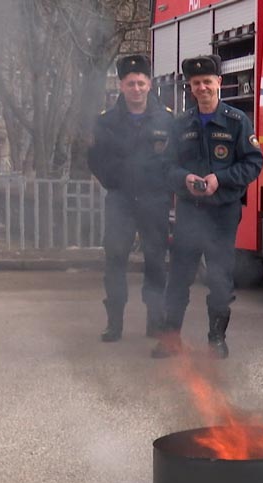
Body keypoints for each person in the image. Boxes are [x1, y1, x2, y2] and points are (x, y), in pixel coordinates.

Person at [151, 55, 263, 359]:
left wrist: (220, 179)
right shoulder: (180, 125)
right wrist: (184, 178)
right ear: (190, 87)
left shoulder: (237, 122)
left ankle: (216, 339)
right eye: (196, 83)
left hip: (222, 214)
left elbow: (254, 162)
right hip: (189, 212)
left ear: (219, 84)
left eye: (208, 82)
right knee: (179, 279)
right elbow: (165, 166)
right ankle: (170, 339)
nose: (202, 87)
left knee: (219, 279)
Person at [88, 54, 175, 343]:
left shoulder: (166, 118)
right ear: (121, 86)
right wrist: (114, 181)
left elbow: (175, 158)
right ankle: (114, 323)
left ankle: (155, 321)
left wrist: (163, 187)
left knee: (155, 261)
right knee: (115, 260)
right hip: (121, 201)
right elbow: (95, 158)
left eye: (140, 83)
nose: (136, 88)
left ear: (149, 84)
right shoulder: (106, 122)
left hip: (154, 200)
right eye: (130, 83)